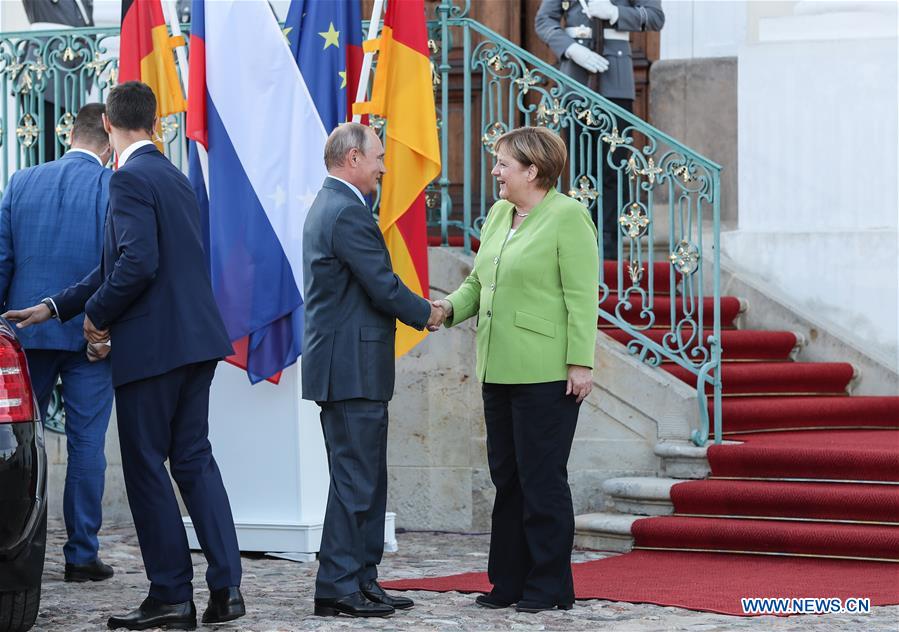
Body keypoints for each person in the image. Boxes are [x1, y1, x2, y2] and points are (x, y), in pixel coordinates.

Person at [3, 81, 245, 631]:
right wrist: (52, 307)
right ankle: (226, 590)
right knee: (194, 461)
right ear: (155, 123)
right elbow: (117, 264)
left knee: (145, 466)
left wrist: (97, 317)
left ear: (107, 127)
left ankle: (170, 596)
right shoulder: (174, 177)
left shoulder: (128, 179)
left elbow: (136, 263)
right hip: (195, 342)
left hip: (153, 349)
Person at [433, 127, 599, 613]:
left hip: (547, 372)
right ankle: (507, 582)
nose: (495, 172)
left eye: (503, 163)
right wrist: (445, 309)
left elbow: (580, 296)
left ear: (533, 170)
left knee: (542, 479)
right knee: (507, 479)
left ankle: (549, 586)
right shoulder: (499, 215)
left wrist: (580, 362)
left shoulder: (569, 216)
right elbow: (481, 283)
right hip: (497, 368)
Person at [302, 122, 445, 618]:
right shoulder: (345, 212)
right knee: (355, 479)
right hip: (349, 368)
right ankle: (338, 585)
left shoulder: (340, 206)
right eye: (378, 157)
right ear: (352, 159)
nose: (384, 166)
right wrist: (429, 312)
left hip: (352, 366)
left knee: (366, 478)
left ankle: (361, 579)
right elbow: (382, 286)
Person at [0, 103, 115, 583]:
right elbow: (118, 265)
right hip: (92, 335)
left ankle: (11, 542)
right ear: (109, 143)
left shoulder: (21, 182)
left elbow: (3, 261)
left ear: (70, 134)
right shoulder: (112, 185)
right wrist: (106, 327)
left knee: (17, 443)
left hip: (25, 331)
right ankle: (82, 554)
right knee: (88, 444)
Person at [535, 0, 665, 255]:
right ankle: (581, 245)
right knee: (582, 169)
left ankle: (608, 247)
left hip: (615, 78)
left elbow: (655, 17)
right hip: (576, 77)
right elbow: (544, 20)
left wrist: (616, 12)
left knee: (613, 169)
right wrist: (570, 48)